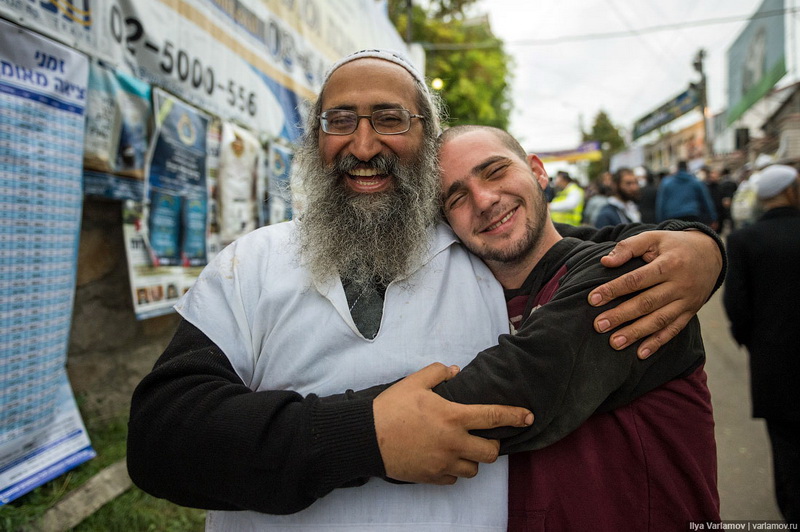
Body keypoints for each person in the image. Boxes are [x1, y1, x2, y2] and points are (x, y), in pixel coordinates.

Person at [127, 50, 725, 530]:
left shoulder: (482, 253)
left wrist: (695, 245)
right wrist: (361, 435)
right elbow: (162, 441)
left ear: (426, 138)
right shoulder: (250, 264)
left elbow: (565, 253)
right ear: (313, 142)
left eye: (389, 119)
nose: (364, 146)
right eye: (340, 122)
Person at [723, 164, 800, 525]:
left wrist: (751, 340)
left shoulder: (745, 240)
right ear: (792, 192)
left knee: (785, 443)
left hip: (773, 358)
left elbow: (736, 303)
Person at [656, 160, 717, 229]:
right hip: (692, 215)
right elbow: (706, 201)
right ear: (687, 168)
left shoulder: (666, 183)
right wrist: (712, 218)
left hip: (672, 217)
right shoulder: (695, 182)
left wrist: (660, 221)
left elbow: (661, 203)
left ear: (677, 168)